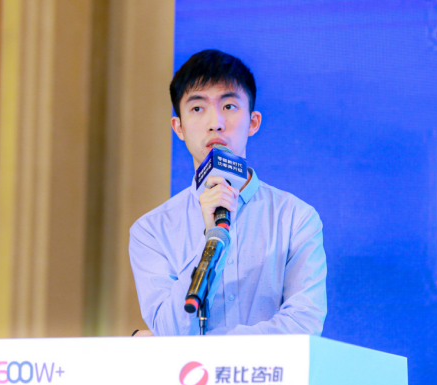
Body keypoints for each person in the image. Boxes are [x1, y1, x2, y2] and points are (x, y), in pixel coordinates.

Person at [129, 49, 326, 336]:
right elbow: (168, 331)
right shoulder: (151, 231)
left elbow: (303, 326)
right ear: (179, 127)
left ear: (253, 122)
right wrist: (209, 237)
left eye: (229, 106)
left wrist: (209, 347)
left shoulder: (296, 218)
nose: (215, 123)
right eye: (198, 109)